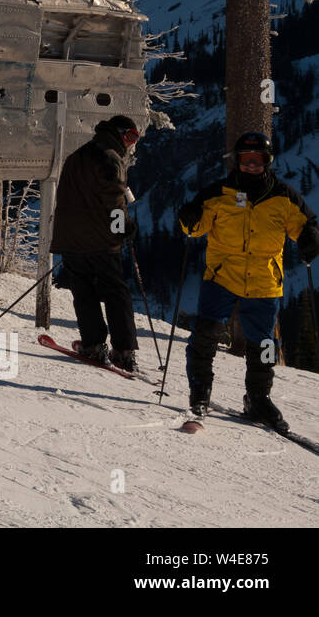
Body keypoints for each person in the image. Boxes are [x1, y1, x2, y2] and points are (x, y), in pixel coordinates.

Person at [177, 132, 319, 429]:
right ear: (237, 161)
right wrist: (187, 217)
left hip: (264, 282)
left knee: (264, 344)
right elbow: (195, 227)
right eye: (246, 160)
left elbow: (305, 225)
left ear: (268, 162)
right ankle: (200, 393)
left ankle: (258, 399)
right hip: (222, 277)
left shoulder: (284, 197)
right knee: (206, 335)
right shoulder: (218, 193)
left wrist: (310, 238)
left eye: (258, 160)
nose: (252, 165)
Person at [49, 115, 143, 370]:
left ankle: (93, 345)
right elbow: (114, 202)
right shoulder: (111, 158)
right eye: (131, 137)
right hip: (101, 241)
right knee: (115, 292)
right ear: (119, 133)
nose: (132, 144)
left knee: (84, 292)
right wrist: (124, 227)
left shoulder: (76, 157)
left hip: (71, 240)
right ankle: (123, 350)